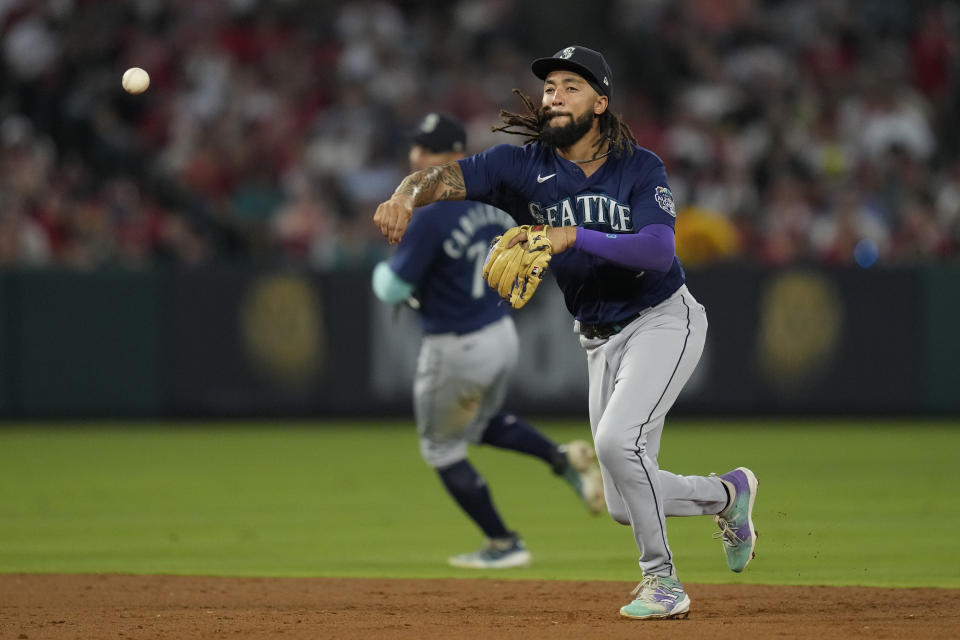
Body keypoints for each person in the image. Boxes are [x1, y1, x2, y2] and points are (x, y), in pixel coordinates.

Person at [373, 47, 759, 619]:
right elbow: (444, 177)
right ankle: (729, 495)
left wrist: (571, 235)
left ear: (600, 103)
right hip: (598, 339)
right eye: (550, 86)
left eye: (570, 86)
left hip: (663, 319)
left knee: (613, 442)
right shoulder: (519, 167)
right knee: (627, 503)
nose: (554, 95)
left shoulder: (639, 166)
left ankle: (663, 582)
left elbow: (657, 250)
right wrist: (405, 194)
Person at [371, 111, 605, 570]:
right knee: (479, 423)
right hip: (500, 334)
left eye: (427, 148)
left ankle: (503, 543)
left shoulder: (432, 212)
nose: (417, 156)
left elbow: (394, 290)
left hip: (455, 344)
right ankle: (560, 459)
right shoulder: (494, 201)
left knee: (442, 447)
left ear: (452, 156)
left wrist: (378, 271)